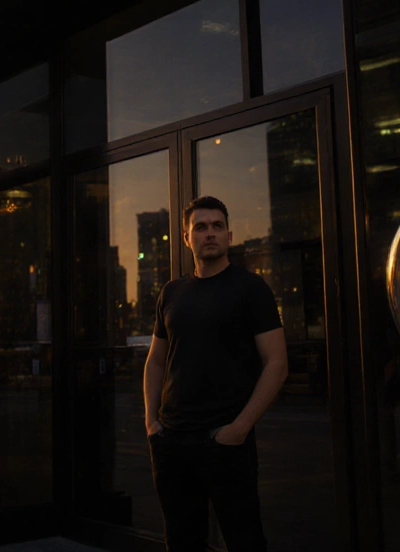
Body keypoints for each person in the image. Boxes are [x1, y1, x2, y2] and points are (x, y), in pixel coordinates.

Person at [144, 196, 288, 551]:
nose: (210, 233)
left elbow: (277, 364)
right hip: (172, 440)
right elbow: (156, 361)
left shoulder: (251, 288)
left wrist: (239, 429)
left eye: (217, 226)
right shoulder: (172, 292)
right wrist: (151, 423)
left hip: (225, 442)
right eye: (201, 227)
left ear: (230, 235)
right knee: (181, 542)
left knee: (245, 541)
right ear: (186, 237)